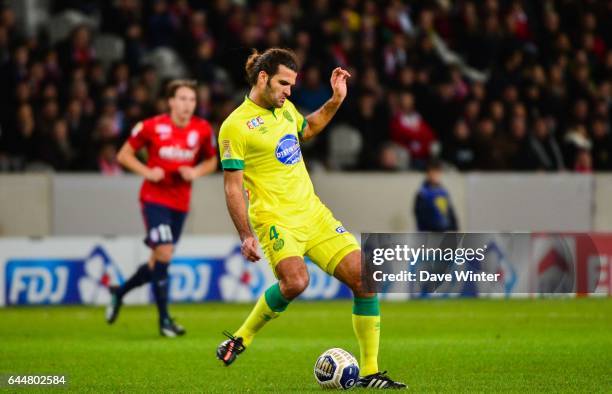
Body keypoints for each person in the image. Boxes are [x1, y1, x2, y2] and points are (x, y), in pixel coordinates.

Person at [215, 48, 405, 389]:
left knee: (365, 279)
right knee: (295, 282)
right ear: (263, 78)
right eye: (284, 83)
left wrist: (336, 99)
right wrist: (245, 234)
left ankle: (371, 372)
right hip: (276, 220)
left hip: (313, 214)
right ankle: (242, 337)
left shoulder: (285, 109)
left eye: (291, 85)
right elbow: (232, 188)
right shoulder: (235, 127)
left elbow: (310, 126)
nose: (289, 91)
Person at [105, 80, 218, 337]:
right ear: (170, 101)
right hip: (154, 200)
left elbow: (212, 161)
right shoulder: (151, 126)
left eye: (192, 99)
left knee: (157, 261)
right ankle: (165, 320)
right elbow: (123, 155)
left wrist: (195, 171)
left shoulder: (201, 129)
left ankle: (119, 292)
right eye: (182, 98)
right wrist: (148, 171)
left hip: (180, 203)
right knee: (165, 253)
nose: (187, 104)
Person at [414, 160, 458, 232]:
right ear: (428, 174)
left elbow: (450, 212)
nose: (435, 176)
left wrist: (454, 228)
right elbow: (421, 217)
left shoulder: (443, 192)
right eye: (433, 173)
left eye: (437, 173)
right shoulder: (423, 193)